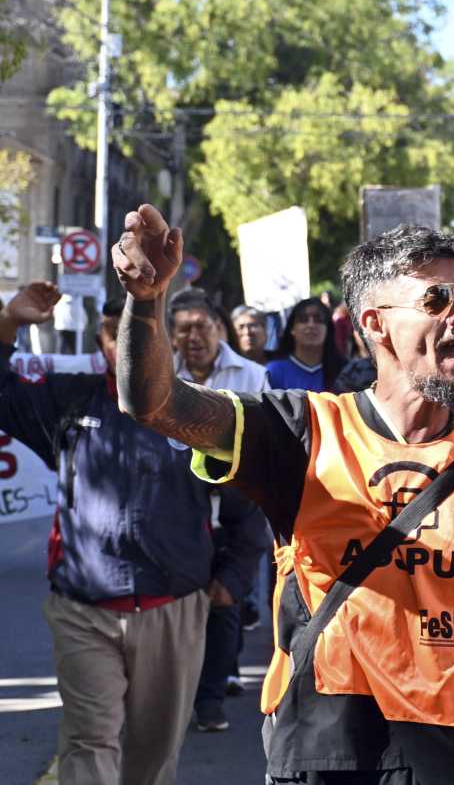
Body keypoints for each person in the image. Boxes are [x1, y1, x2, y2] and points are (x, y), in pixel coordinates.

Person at [112, 208, 454, 785]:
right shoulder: (301, 431)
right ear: (376, 323)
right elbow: (155, 404)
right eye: (437, 301)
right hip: (323, 750)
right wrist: (146, 300)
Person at [0, 285, 269, 785]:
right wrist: (8, 322)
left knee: (153, 752)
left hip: (174, 608)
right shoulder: (66, 400)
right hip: (84, 609)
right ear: (101, 341)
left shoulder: (198, 410)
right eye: (112, 332)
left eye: (137, 331)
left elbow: (247, 500)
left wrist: (233, 574)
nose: (123, 342)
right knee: (90, 739)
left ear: (163, 341)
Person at [167, 288, 273, 731]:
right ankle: (171, 699)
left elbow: (265, 446)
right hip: (174, 508)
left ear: (219, 328)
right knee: (173, 611)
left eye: (201, 326)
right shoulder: (157, 375)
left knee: (225, 600)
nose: (194, 337)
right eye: (183, 329)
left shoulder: (250, 375)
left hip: (236, 503)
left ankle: (210, 699)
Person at [266, 296, 347, 391]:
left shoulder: (344, 370)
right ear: (292, 329)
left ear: (328, 329)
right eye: (303, 320)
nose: (311, 325)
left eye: (318, 320)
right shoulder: (273, 371)